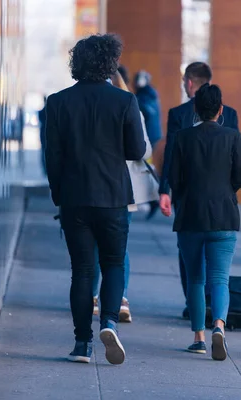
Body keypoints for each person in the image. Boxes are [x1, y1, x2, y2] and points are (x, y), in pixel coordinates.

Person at [44, 34, 146, 365]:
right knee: (113, 263)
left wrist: (59, 195)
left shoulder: (58, 102)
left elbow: (53, 157)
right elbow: (137, 150)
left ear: (78, 62)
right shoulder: (124, 102)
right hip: (113, 197)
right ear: (110, 62)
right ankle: (110, 323)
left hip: (74, 198)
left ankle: (81, 344)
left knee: (82, 270)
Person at [159, 62, 241, 319]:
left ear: (189, 82)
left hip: (188, 198)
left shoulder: (178, 115)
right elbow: (237, 164)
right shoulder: (230, 115)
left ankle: (196, 312)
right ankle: (215, 315)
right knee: (219, 271)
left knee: (190, 259)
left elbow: (170, 158)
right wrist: (234, 190)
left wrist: (167, 189)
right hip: (222, 201)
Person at [167, 83, 241, 361]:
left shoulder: (182, 138)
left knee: (196, 279)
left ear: (196, 109)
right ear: (220, 110)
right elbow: (239, 178)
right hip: (224, 215)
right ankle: (220, 327)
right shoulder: (233, 137)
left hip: (190, 216)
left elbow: (174, 179)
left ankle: (199, 337)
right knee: (220, 279)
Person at [92, 71, 158, 323]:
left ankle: (95, 297)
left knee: (96, 243)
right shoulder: (132, 106)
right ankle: (120, 298)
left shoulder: (94, 108)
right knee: (119, 247)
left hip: (97, 186)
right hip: (125, 188)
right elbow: (146, 150)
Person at [133, 70, 162, 147]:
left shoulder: (143, 98)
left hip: (148, 134)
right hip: (154, 134)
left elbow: (146, 113)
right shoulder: (152, 95)